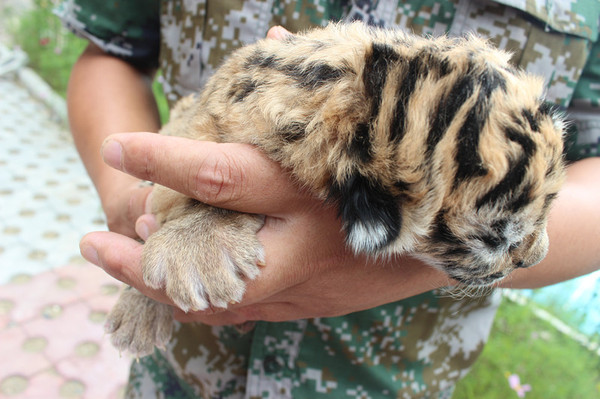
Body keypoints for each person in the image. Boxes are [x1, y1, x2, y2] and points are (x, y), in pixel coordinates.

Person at [57, 0, 600, 397]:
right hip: (178, 371)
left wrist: (407, 268)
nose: (536, 249)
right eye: (503, 235)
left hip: (388, 382)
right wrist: (135, 197)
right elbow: (111, 53)